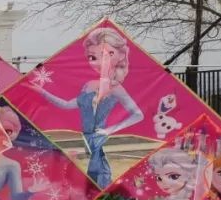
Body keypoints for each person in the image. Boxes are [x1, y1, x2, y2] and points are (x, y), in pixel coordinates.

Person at [31, 26, 144, 188]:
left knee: (100, 175)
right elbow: (67, 105)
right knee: (91, 176)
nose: (99, 62)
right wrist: (41, 91)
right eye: (93, 57)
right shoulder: (88, 85)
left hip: (98, 138)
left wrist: (109, 130)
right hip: (85, 138)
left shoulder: (116, 88)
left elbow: (138, 114)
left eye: (107, 55)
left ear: (118, 56)